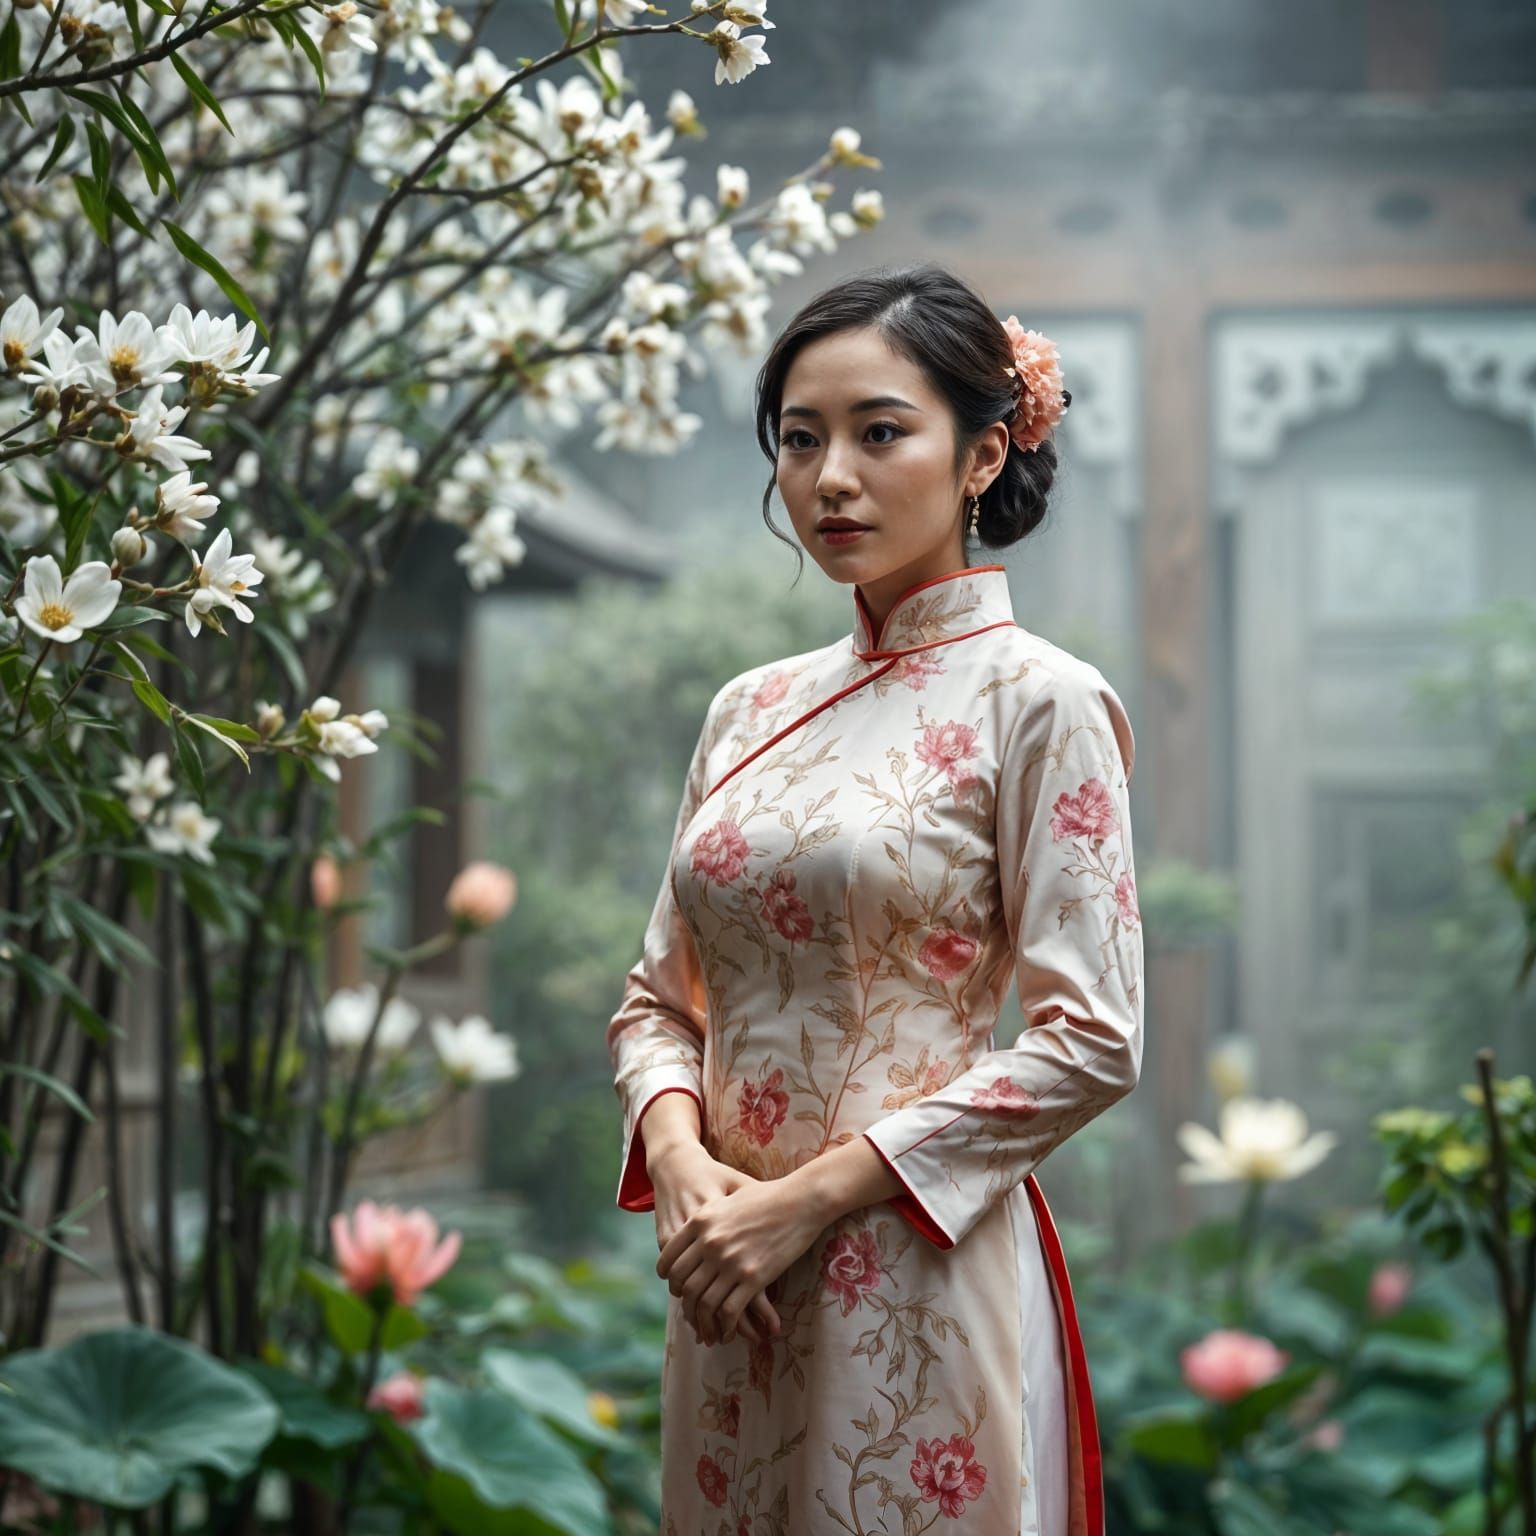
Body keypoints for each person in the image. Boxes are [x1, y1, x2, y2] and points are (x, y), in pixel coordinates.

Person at [606, 261, 1144, 1536]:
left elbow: (1096, 1039)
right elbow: (654, 1001)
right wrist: (686, 1172)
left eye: (879, 431)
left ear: (981, 456)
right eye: (800, 440)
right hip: (727, 1278)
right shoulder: (749, 707)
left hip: (910, 1265)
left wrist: (807, 1200)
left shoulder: (1041, 702)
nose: (830, 475)